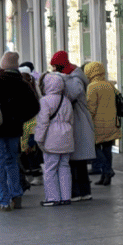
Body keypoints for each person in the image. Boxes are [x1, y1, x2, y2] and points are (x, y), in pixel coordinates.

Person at [0, 52, 40, 212]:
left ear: (3, 65)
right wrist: (20, 119)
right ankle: (16, 195)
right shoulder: (23, 83)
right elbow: (35, 107)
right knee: (12, 161)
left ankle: (3, 201)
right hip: (14, 130)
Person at [49, 52, 95, 201]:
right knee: (76, 160)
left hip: (77, 122)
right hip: (75, 122)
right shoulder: (75, 76)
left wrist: (59, 81)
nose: (54, 70)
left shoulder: (74, 79)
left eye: (55, 67)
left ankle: (77, 191)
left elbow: (73, 93)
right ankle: (83, 191)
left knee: (74, 160)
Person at [34, 72, 75, 207]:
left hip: (51, 137)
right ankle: (66, 197)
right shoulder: (66, 100)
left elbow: (43, 122)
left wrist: (39, 139)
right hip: (67, 136)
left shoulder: (45, 101)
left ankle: (52, 198)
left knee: (50, 168)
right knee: (64, 166)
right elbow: (71, 120)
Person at [83, 61, 119, 185]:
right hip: (112, 122)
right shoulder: (109, 85)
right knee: (108, 150)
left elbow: (91, 108)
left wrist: (86, 121)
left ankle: (108, 170)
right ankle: (105, 177)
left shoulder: (92, 86)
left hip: (97, 124)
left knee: (96, 149)